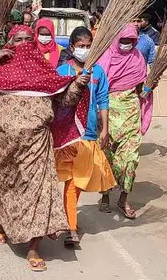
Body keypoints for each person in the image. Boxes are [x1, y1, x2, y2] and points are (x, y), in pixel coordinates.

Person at [0, 25, 89, 272]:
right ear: (10, 42)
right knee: (4, 187)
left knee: (39, 191)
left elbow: (64, 101)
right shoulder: (0, 69)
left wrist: (78, 84)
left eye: (28, 39)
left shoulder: (45, 71)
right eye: (18, 39)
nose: (23, 43)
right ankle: (3, 224)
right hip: (2, 142)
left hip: (37, 142)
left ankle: (34, 247)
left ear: (34, 43)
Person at [55, 27, 116, 246]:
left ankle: (68, 220)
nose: (85, 49)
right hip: (67, 135)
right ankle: (71, 228)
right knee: (71, 183)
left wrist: (105, 129)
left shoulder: (98, 72)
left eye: (88, 45)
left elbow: (103, 100)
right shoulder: (62, 71)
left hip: (89, 134)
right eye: (81, 46)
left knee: (78, 183)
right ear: (72, 47)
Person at [98, 24, 151, 220]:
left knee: (130, 159)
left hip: (131, 113)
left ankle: (123, 198)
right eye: (123, 41)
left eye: (131, 41)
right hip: (108, 113)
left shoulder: (138, 59)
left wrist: (146, 90)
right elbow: (98, 87)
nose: (127, 44)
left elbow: (142, 86)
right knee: (107, 156)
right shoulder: (106, 57)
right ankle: (105, 194)